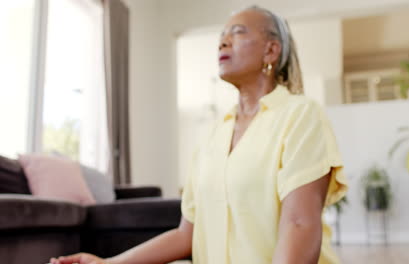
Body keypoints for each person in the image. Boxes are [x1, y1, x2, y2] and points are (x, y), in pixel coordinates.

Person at [50, 5, 347, 264]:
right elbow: (186, 234)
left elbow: (299, 223)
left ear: (271, 50)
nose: (223, 41)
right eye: (221, 35)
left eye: (238, 32)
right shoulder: (211, 137)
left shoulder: (300, 115)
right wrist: (109, 263)